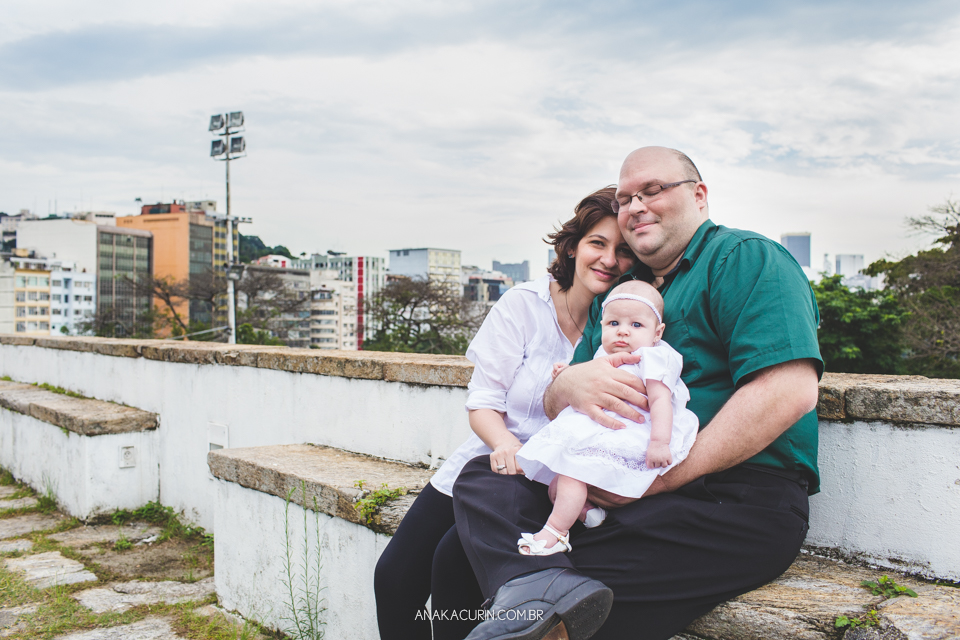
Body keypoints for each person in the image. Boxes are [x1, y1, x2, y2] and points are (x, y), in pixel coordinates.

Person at [451, 146, 823, 640]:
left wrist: (661, 479)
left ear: (699, 195)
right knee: (479, 485)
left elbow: (789, 391)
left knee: (535, 594)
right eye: (626, 197)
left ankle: (543, 603)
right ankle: (539, 587)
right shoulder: (624, 294)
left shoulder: (745, 259)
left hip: (723, 495)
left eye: (652, 190)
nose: (635, 206)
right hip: (604, 476)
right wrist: (565, 385)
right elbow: (558, 397)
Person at [373, 187, 636, 640]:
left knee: (452, 575)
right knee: (394, 578)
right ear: (573, 246)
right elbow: (483, 402)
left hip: (553, 485)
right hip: (489, 465)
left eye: (624, 250)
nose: (609, 259)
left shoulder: (626, 326)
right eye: (598, 243)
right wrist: (505, 444)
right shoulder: (524, 305)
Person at [514, 280, 698, 555]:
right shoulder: (604, 353)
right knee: (556, 485)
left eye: (636, 325)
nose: (623, 332)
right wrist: (567, 373)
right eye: (613, 323)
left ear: (657, 332)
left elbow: (661, 400)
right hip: (600, 428)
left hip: (631, 431)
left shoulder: (654, 356)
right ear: (601, 326)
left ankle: (555, 533)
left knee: (572, 474)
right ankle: (589, 513)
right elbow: (584, 377)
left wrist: (660, 442)